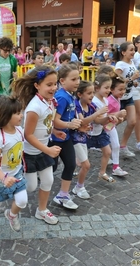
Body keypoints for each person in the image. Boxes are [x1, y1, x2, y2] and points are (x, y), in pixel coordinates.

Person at [13, 66, 61, 225]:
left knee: (48, 180)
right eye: (49, 84)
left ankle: (42, 210)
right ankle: (11, 188)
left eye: (55, 84)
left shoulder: (50, 102)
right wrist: (47, 149)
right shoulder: (34, 107)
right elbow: (28, 135)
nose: (53, 88)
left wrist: (54, 132)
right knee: (31, 186)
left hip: (44, 150)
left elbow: (46, 124)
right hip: (29, 153)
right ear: (37, 85)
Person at [0, 96, 27, 234]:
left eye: (21, 112)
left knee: (22, 201)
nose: (21, 115)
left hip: (17, 175)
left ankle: (11, 215)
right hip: (0, 179)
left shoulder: (19, 130)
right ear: (6, 116)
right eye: (18, 113)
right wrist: (4, 177)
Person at [50, 64, 82, 209]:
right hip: (54, 139)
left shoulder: (69, 95)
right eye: (73, 79)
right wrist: (69, 125)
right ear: (62, 81)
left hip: (65, 137)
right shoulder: (61, 97)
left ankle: (63, 195)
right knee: (51, 168)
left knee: (70, 164)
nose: (77, 82)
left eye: (78, 78)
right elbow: (54, 120)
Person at [88, 74, 119, 182]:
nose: (109, 90)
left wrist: (112, 117)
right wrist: (109, 119)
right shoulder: (94, 101)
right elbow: (97, 120)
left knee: (107, 151)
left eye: (110, 87)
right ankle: (74, 170)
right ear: (97, 88)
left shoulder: (105, 100)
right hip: (89, 133)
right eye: (106, 88)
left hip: (99, 131)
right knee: (81, 159)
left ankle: (102, 172)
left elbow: (104, 117)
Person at [114, 41, 140, 157]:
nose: (133, 52)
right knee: (113, 122)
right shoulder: (120, 64)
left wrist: (134, 82)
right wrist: (132, 78)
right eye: (131, 50)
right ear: (123, 52)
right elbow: (115, 80)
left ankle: (123, 146)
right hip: (118, 98)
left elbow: (129, 80)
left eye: (134, 50)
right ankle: (100, 138)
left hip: (129, 96)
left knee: (132, 121)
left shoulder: (132, 63)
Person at [107, 75, 128, 176]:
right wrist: (118, 115)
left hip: (110, 127)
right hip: (105, 127)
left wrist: (118, 117)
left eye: (124, 89)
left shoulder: (116, 98)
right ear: (112, 89)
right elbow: (104, 115)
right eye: (120, 89)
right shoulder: (110, 101)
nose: (123, 91)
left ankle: (116, 167)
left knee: (115, 145)